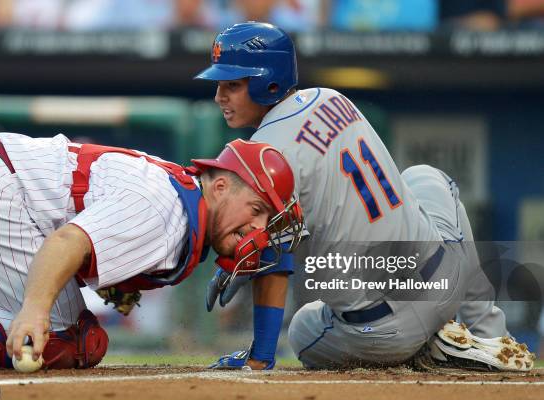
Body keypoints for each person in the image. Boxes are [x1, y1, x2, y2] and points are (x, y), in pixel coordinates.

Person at [195, 21, 535, 371]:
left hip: (385, 331)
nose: (220, 96)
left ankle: (431, 348)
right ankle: (490, 333)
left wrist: (259, 358)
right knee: (426, 177)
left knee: (303, 327)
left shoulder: (264, 156)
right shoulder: (331, 97)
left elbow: (273, 260)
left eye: (232, 85)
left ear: (269, 83)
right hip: (443, 285)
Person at [0, 129, 303, 369]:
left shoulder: (178, 189)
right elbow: (66, 241)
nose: (258, 228)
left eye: (266, 220)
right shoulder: (167, 211)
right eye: (256, 209)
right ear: (220, 187)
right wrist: (33, 311)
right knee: (71, 338)